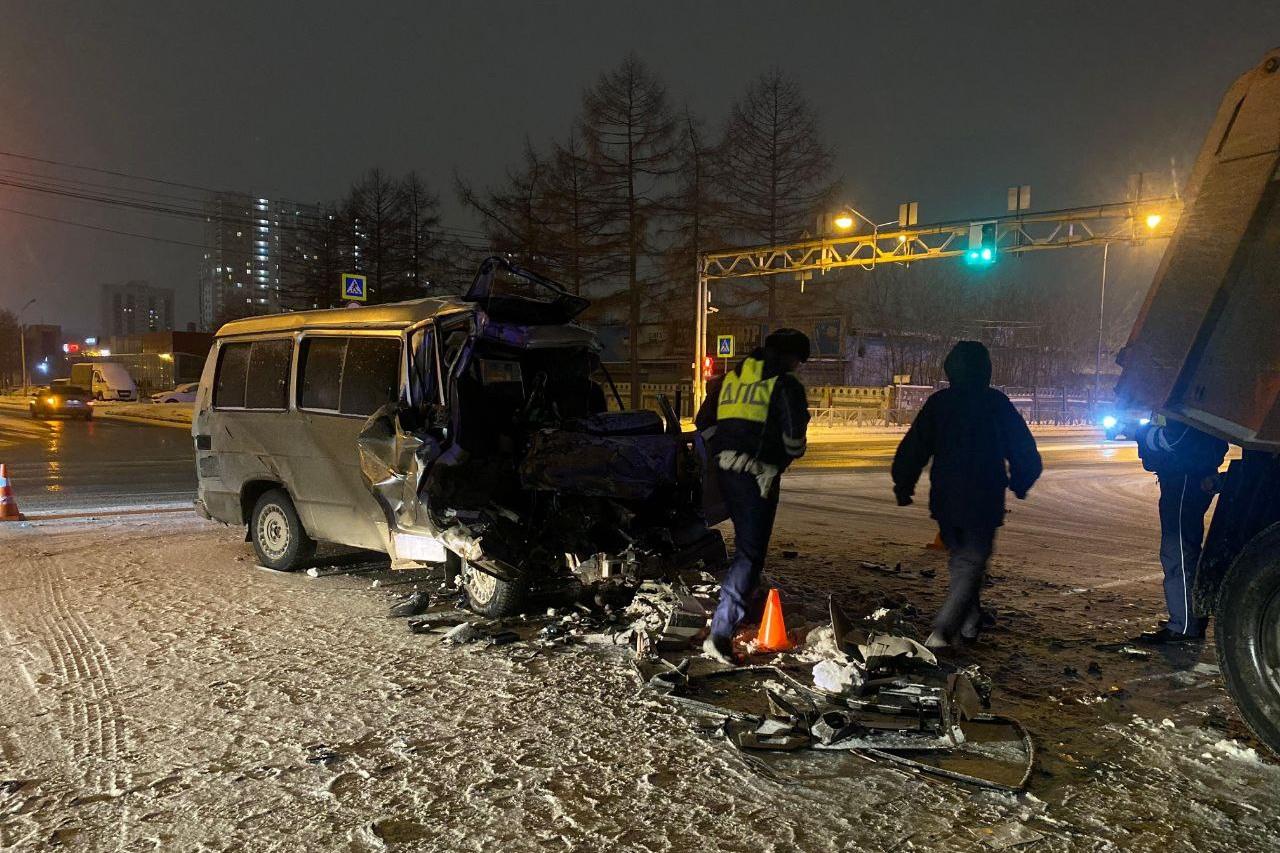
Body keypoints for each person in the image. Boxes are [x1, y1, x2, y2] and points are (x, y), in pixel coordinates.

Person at [891, 341, 1042, 650]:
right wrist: (1021, 481)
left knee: (962, 561)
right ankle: (943, 632)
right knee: (970, 563)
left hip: (946, 497)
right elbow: (1022, 447)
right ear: (986, 370)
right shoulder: (996, 404)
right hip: (984, 495)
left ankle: (971, 623)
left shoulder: (940, 403)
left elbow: (914, 447)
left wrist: (903, 484)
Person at [696, 328, 811, 664]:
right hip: (757, 474)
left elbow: (704, 421)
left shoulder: (733, 377)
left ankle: (743, 607)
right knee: (749, 554)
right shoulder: (785, 384)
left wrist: (725, 448)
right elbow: (794, 441)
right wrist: (779, 456)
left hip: (724, 471)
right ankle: (720, 632)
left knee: (746, 549)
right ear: (792, 358)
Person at [1133, 417, 1227, 642]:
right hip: (1188, 476)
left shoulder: (1183, 404)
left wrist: (1144, 434)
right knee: (1183, 551)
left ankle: (1185, 625)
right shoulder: (1202, 402)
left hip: (1183, 478)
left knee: (1178, 553)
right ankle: (1189, 617)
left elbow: (1176, 440)